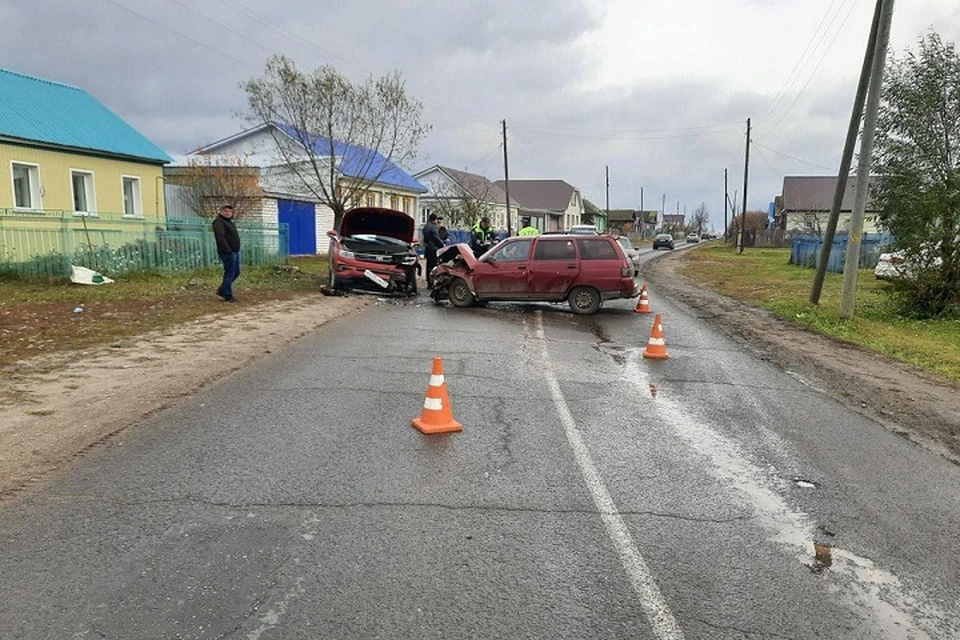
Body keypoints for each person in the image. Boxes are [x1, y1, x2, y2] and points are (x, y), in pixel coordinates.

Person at [212, 204, 241, 302]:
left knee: (236, 272)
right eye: (226, 211)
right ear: (221, 212)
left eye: (230, 211)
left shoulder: (229, 222)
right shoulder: (218, 222)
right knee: (230, 273)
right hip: (228, 252)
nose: (228, 213)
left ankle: (223, 289)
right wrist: (228, 250)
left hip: (234, 251)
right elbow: (220, 237)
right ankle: (228, 295)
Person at [422, 213, 445, 289]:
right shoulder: (433, 228)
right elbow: (436, 238)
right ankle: (433, 283)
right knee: (434, 266)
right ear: (435, 220)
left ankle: (429, 282)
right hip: (433, 249)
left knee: (428, 266)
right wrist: (442, 245)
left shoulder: (426, 227)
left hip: (427, 249)